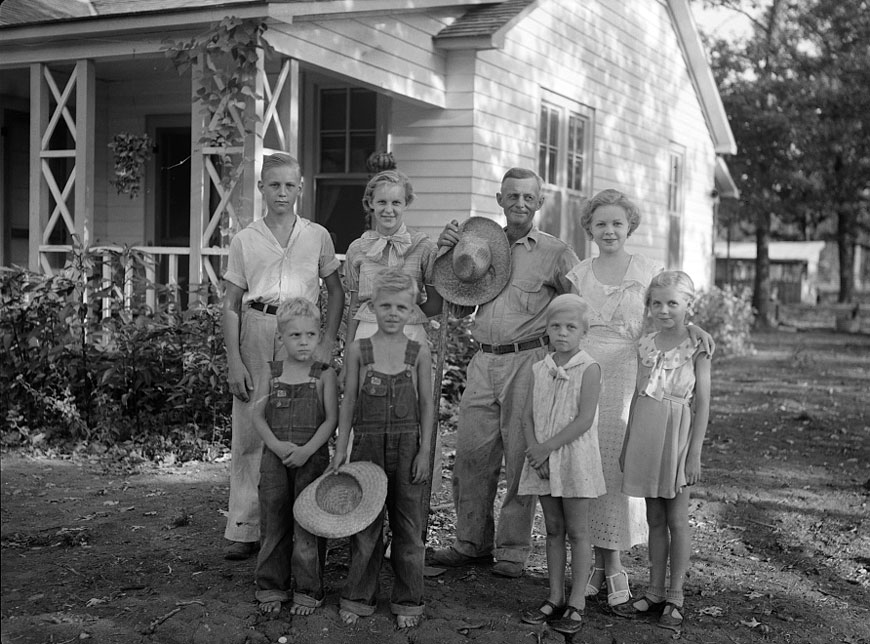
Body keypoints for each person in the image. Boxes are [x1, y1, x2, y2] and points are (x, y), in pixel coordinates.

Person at [429, 168, 580, 578]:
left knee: (520, 458)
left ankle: (512, 551)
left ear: (539, 202)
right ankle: (470, 543)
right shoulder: (480, 246)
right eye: (512, 196)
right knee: (471, 456)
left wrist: (567, 359)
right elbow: (457, 305)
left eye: (528, 197)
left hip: (528, 363)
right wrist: (445, 259)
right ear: (499, 199)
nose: (520, 203)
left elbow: (581, 306)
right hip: (482, 361)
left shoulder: (555, 253)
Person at [565, 188, 712, 605]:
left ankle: (615, 564)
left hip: (632, 373)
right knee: (587, 464)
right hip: (586, 373)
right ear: (589, 229)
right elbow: (568, 323)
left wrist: (695, 329)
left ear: (629, 226)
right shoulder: (579, 273)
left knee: (617, 468)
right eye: (600, 224)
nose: (609, 230)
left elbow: (671, 307)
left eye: (617, 222)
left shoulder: (648, 268)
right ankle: (592, 561)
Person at [222, 152, 345, 560]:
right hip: (258, 326)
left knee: (302, 418)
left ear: (300, 188)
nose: (282, 193)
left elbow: (336, 291)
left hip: (303, 330)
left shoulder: (317, 235)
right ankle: (245, 526)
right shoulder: (245, 239)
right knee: (251, 421)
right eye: (274, 185)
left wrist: (328, 340)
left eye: (289, 185)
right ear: (261, 188)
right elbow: (231, 303)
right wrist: (234, 360)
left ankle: (303, 522)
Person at [329, 268, 434, 629]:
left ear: (412, 310)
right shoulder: (359, 349)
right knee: (366, 525)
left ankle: (408, 599)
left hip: (408, 449)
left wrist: (425, 452)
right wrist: (341, 448)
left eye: (401, 307)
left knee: (408, 527)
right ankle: (359, 596)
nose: (392, 313)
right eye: (385, 305)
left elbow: (426, 408)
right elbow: (348, 403)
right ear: (372, 306)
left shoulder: (419, 351)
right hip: (368, 449)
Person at [614, 271, 711, 630]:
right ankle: (654, 591)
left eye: (673, 303)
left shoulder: (697, 346)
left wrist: (694, 453)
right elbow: (638, 397)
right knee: (654, 518)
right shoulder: (646, 344)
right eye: (657, 303)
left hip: (678, 433)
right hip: (645, 434)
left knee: (677, 519)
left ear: (688, 305)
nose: (664, 310)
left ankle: (676, 596)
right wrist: (627, 446)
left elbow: (702, 402)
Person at [517, 295, 605, 636]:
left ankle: (577, 601)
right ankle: (554, 595)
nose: (562, 333)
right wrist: (535, 452)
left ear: (584, 331)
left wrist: (547, 449)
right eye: (556, 326)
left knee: (578, 531)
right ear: (547, 330)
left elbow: (584, 420)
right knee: (553, 529)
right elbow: (527, 415)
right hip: (541, 461)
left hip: (574, 460)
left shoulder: (590, 368)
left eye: (570, 327)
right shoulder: (539, 367)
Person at [250, 298, 338, 616]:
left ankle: (308, 588)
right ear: (280, 337)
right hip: (275, 459)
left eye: (311, 335)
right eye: (295, 336)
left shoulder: (324, 375)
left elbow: (331, 420)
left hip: (311, 459)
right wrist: (275, 445)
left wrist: (305, 451)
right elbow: (257, 414)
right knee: (274, 521)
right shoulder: (271, 373)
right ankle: (272, 585)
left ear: (319, 335)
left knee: (308, 525)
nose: (304, 342)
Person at [344, 170, 442, 345]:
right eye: (382, 202)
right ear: (370, 203)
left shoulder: (424, 247)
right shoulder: (356, 249)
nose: (388, 210)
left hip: (409, 333)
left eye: (396, 202)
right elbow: (353, 307)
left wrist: (405, 315)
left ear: (406, 203)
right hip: (367, 334)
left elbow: (436, 302)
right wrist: (348, 359)